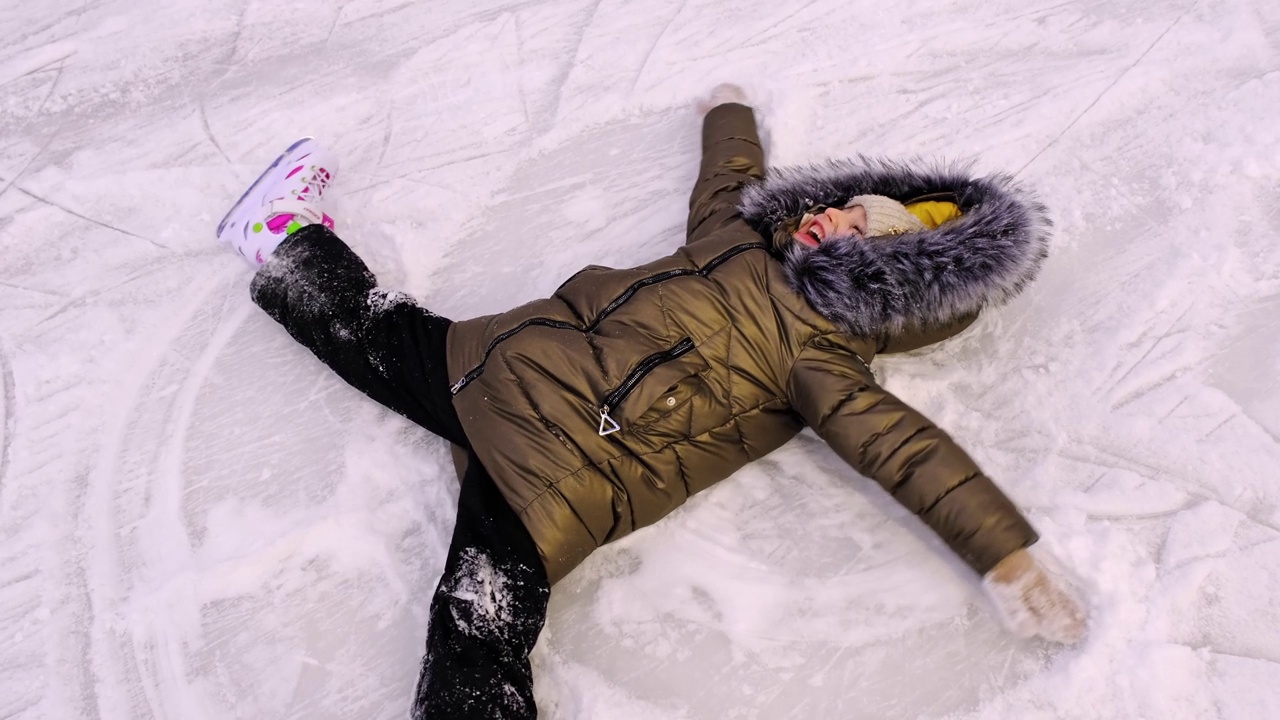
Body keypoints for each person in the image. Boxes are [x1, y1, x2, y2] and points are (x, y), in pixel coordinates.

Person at [216, 84, 1086, 719]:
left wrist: (1008, 557)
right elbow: (731, 178)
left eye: (860, 234)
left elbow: (906, 453)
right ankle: (280, 240)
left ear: (885, 277)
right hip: (511, 376)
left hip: (568, 460)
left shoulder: (821, 355)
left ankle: (281, 239)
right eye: (843, 210)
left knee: (477, 608)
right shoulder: (738, 237)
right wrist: (728, 117)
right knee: (475, 610)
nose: (832, 221)